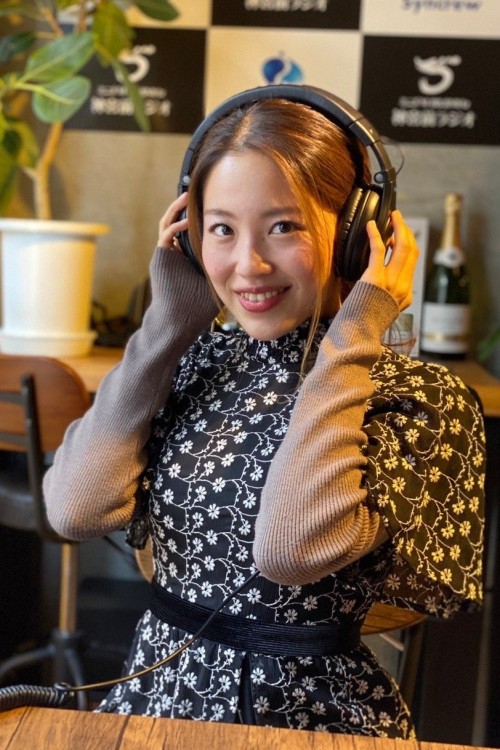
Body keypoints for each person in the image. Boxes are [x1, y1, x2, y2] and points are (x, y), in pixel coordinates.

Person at [43, 86, 485, 737]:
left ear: (357, 234)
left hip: (309, 724)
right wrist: (167, 326)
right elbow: (75, 509)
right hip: (154, 711)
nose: (247, 265)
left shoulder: (417, 400)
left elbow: (290, 549)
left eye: (283, 227)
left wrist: (353, 335)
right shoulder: (193, 364)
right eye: (221, 229)